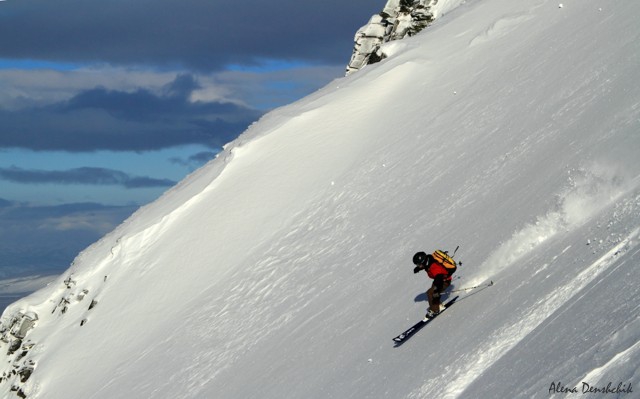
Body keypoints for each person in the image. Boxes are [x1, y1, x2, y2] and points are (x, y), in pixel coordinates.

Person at [413, 251, 456, 318]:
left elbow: (439, 278)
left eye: (419, 264)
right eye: (417, 265)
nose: (419, 266)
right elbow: (425, 266)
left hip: (444, 281)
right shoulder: (429, 261)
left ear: (423, 262)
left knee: (430, 293)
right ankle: (438, 305)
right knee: (433, 293)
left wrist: (436, 290)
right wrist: (418, 268)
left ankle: (435, 310)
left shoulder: (433, 267)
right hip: (438, 280)